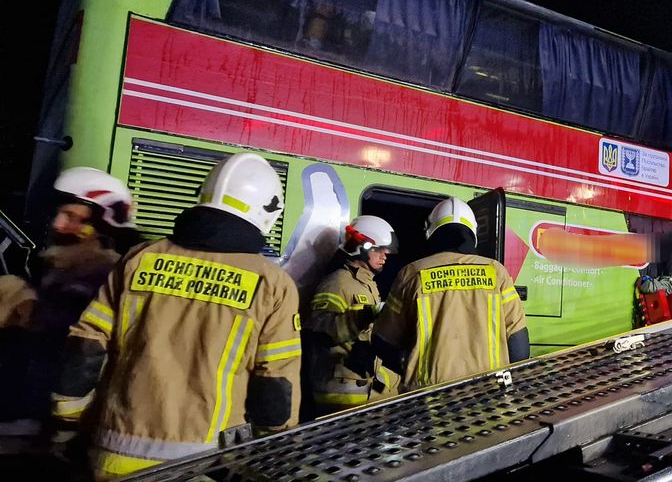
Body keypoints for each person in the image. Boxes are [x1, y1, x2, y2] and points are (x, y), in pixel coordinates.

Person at [50, 153, 301, 480]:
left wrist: (66, 426)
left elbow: (85, 351)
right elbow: (275, 388)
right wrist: (275, 445)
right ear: (267, 211)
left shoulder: (140, 258)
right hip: (204, 465)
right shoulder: (273, 284)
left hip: (112, 455)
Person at [0, 167, 139, 425]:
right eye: (60, 214)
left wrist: (21, 304)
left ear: (102, 225)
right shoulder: (63, 268)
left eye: (72, 217)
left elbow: (68, 339)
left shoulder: (102, 275)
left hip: (53, 420)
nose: (58, 225)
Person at [373, 197, 528, 392]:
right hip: (489, 393)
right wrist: (504, 383)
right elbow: (519, 344)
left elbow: (383, 342)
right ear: (473, 232)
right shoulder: (496, 272)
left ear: (431, 231)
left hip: (426, 399)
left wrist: (408, 365)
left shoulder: (412, 274)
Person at [303, 215, 401, 416]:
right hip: (342, 390)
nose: (385, 256)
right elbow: (318, 330)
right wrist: (366, 314)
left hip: (362, 380)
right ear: (363, 247)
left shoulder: (366, 285)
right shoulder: (338, 283)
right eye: (380, 250)